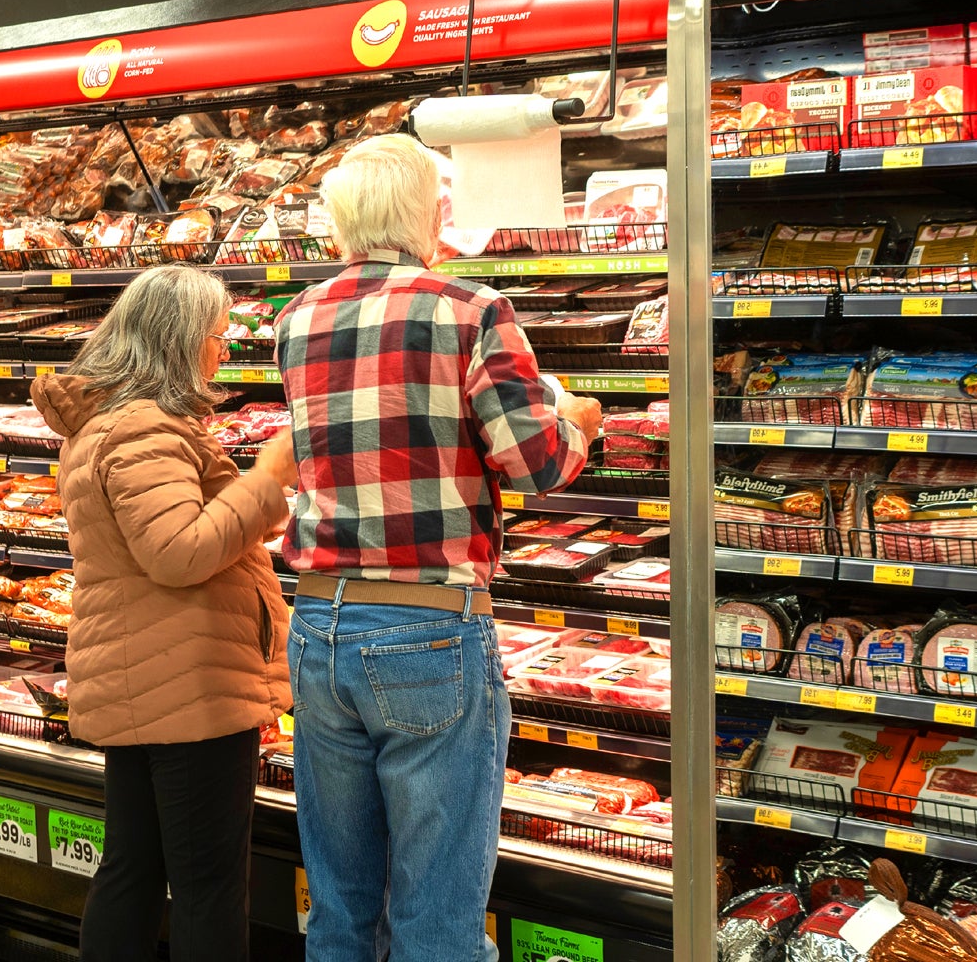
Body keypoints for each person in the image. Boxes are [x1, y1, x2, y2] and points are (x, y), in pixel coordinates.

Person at [275, 133, 603, 961]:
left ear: (341, 221)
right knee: (439, 919)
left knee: (341, 909)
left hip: (317, 627)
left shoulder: (297, 318)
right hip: (427, 628)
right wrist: (578, 423)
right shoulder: (472, 309)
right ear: (430, 214)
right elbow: (535, 463)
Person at [31, 264, 297, 962]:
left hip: (145, 674)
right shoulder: (145, 430)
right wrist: (268, 482)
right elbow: (178, 552)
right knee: (207, 884)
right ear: (179, 343)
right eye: (217, 335)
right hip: (188, 683)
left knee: (135, 868)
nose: (224, 352)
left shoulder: (114, 424)